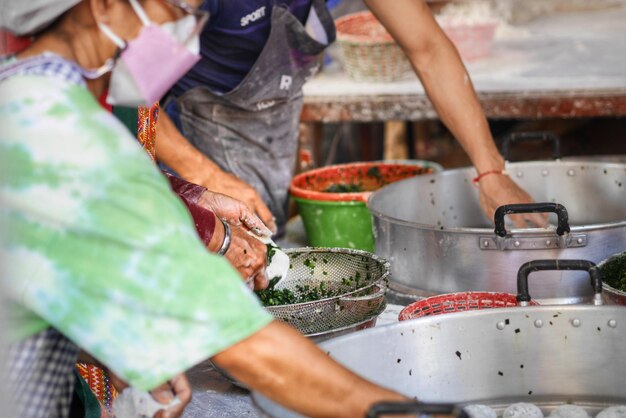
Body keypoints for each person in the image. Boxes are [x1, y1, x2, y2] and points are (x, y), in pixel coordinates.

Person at [0, 1, 409, 417]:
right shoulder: (59, 131)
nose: (189, 32)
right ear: (104, 7)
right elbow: (245, 347)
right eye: (178, 9)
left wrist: (107, 346)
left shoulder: (24, 95)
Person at [159, 0, 547, 234]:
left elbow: (428, 48)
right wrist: (203, 177)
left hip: (273, 117)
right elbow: (127, 96)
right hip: (185, 132)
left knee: (260, 250)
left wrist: (490, 170)